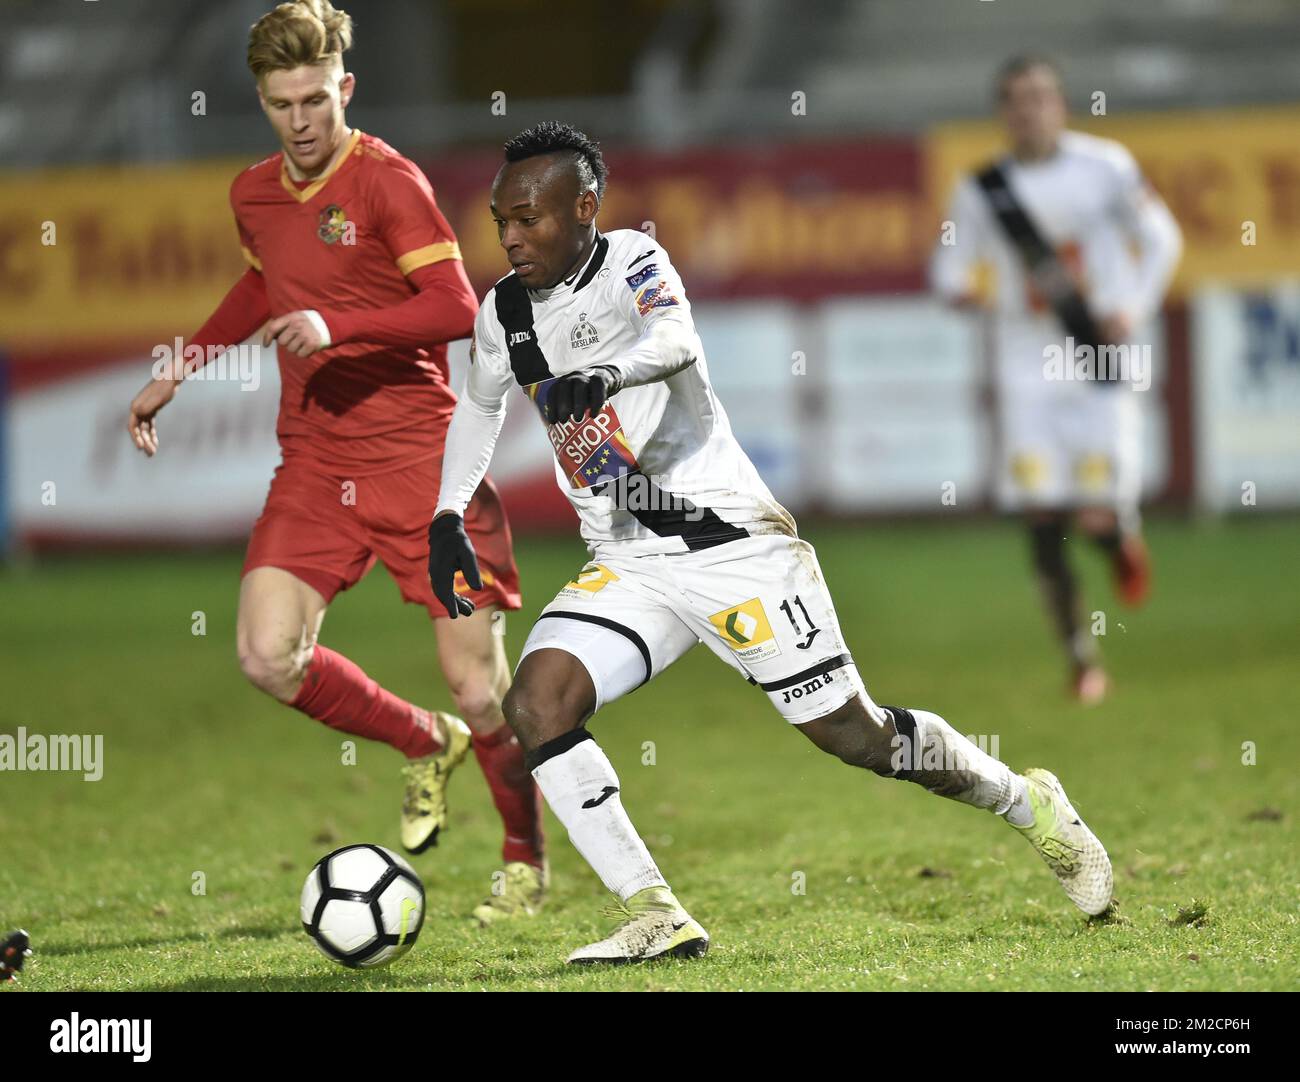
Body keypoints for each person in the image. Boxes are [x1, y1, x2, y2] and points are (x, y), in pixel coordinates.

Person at [428, 121, 1113, 965]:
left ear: (586, 208)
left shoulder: (635, 261)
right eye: (501, 219)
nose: (511, 236)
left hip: (732, 546)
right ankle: (654, 911)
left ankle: (1026, 802)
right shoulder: (504, 310)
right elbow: (482, 403)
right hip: (629, 561)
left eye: (530, 217)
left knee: (855, 738)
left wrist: (607, 374)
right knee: (538, 701)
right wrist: (449, 514)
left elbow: (672, 338)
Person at [125, 0, 546, 925]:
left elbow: (454, 305)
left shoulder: (389, 183)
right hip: (315, 460)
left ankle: (524, 860)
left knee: (480, 686)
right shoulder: (252, 194)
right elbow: (261, 282)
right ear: (263, 102)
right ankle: (417, 740)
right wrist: (181, 368)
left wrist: (337, 326)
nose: (302, 121)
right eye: (282, 105)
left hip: (423, 466)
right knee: (266, 655)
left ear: (344, 88)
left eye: (316, 99)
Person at [931, 55, 1182, 704]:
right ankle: (1080, 659)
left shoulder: (1106, 167)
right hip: (1024, 367)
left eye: (1040, 96)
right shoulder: (982, 188)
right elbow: (947, 271)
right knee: (1041, 514)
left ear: (1061, 104)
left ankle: (1119, 536)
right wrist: (965, 294)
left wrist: (1132, 302)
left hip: (1098, 350)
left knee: (1094, 516)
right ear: (1002, 113)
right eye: (1015, 99)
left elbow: (1161, 239)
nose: (1028, 109)